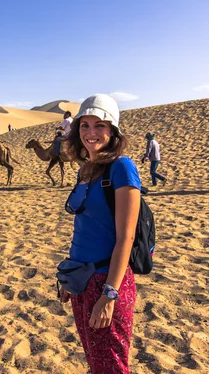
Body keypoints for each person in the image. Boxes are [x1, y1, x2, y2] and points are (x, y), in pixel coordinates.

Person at [60, 94, 141, 373]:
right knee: (97, 363)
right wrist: (70, 277)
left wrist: (109, 295)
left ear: (113, 131)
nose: (91, 133)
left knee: (112, 367)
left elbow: (126, 238)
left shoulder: (122, 167)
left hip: (107, 281)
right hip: (81, 280)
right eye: (85, 125)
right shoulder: (85, 169)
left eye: (99, 125)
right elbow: (83, 227)